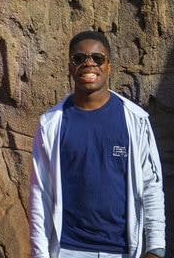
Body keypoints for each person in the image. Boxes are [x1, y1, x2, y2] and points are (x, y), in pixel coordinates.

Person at [29, 30, 165, 258]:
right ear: (70, 67)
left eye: (97, 58)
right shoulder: (51, 124)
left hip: (122, 250)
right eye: (79, 58)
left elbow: (151, 186)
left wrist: (156, 247)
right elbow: (40, 194)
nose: (89, 64)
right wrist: (39, 254)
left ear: (108, 66)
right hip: (67, 250)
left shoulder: (135, 120)